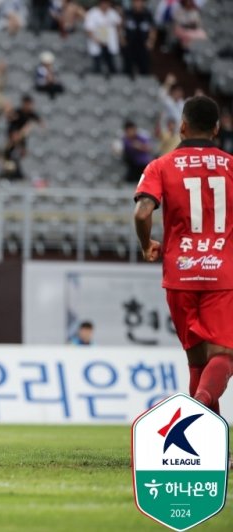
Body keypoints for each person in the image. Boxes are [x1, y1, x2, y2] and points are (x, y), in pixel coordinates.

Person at [134, 95, 233, 419]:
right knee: (225, 356)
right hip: (222, 273)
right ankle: (198, 402)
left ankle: (210, 449)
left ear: (182, 126)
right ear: (217, 129)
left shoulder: (160, 166)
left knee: (197, 361)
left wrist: (147, 242)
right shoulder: (231, 166)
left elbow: (142, 211)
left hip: (179, 273)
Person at [84, 0, 121, 77]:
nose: (105, 5)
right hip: (97, 43)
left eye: (107, 3)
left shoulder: (112, 13)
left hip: (109, 44)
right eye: (104, 2)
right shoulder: (93, 13)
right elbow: (88, 29)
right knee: (97, 66)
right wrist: (97, 39)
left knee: (112, 66)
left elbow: (119, 23)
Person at [122, 0, 155, 79]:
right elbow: (121, 26)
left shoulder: (148, 14)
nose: (138, 4)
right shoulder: (128, 13)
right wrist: (122, 39)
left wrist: (151, 41)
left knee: (144, 68)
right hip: (130, 44)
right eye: (136, 2)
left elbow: (153, 29)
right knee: (127, 68)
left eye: (140, 2)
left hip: (143, 46)